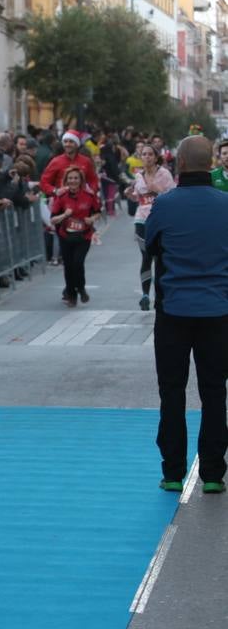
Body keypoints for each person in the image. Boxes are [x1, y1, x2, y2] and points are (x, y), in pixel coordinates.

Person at [145, 136, 228, 494]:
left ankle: (173, 471)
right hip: (218, 311)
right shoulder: (226, 204)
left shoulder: (164, 205)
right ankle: (212, 473)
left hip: (174, 311)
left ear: (178, 163)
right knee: (214, 393)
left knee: (172, 391)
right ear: (211, 162)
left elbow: (151, 247)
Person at [126, 143, 175, 311]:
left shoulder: (164, 174)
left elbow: (173, 196)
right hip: (142, 220)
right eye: (143, 154)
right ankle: (145, 295)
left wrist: (158, 189)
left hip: (160, 219)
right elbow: (137, 198)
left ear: (156, 157)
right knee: (146, 256)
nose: (146, 157)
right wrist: (130, 195)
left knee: (159, 258)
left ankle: (160, 296)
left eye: (149, 154)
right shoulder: (138, 176)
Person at [49, 166, 101, 307]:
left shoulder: (89, 196)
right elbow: (52, 220)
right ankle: (71, 295)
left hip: (84, 236)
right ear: (66, 180)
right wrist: (65, 215)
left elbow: (97, 212)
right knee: (68, 266)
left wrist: (92, 219)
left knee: (78, 263)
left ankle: (81, 288)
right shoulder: (61, 197)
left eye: (75, 178)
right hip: (65, 236)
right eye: (70, 178)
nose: (73, 181)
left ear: (80, 180)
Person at [41, 132, 99, 197]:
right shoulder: (56, 161)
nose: (67, 144)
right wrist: (55, 191)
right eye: (65, 142)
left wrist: (92, 191)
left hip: (82, 202)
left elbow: (93, 180)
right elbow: (44, 182)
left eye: (71, 142)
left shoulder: (86, 161)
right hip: (61, 203)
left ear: (77, 144)